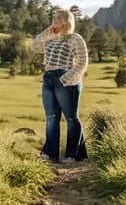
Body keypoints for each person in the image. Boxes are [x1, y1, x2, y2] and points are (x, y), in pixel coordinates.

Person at [32, 8, 88, 162]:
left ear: (66, 20)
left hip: (66, 79)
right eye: (54, 18)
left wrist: (66, 78)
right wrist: (50, 31)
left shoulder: (75, 38)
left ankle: (73, 155)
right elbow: (35, 46)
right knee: (51, 118)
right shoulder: (50, 39)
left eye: (58, 18)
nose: (54, 20)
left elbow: (83, 62)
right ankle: (50, 154)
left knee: (71, 119)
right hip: (48, 78)